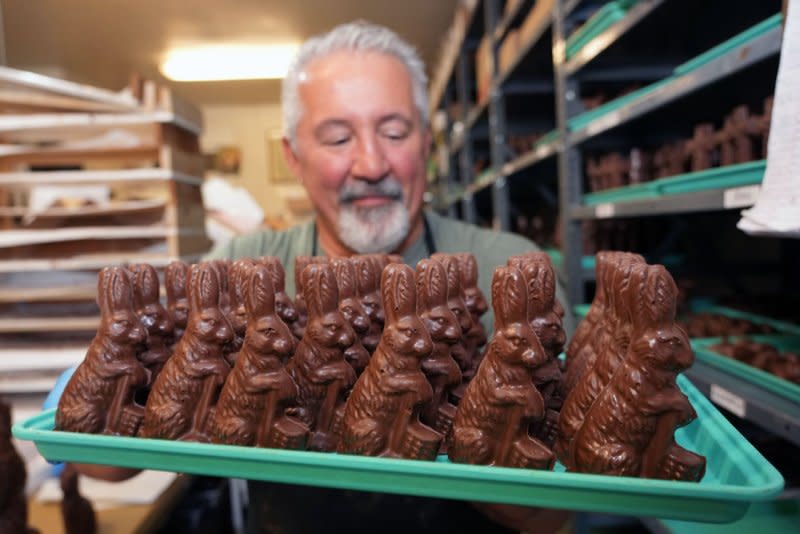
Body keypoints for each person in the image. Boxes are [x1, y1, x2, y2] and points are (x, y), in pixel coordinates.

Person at [55, 21, 575, 533]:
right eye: (338, 138)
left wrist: (454, 437)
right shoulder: (244, 271)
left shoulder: (509, 272)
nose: (371, 163)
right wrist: (90, 402)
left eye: (394, 132)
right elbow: (107, 461)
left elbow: (555, 511)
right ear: (293, 156)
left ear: (425, 142)